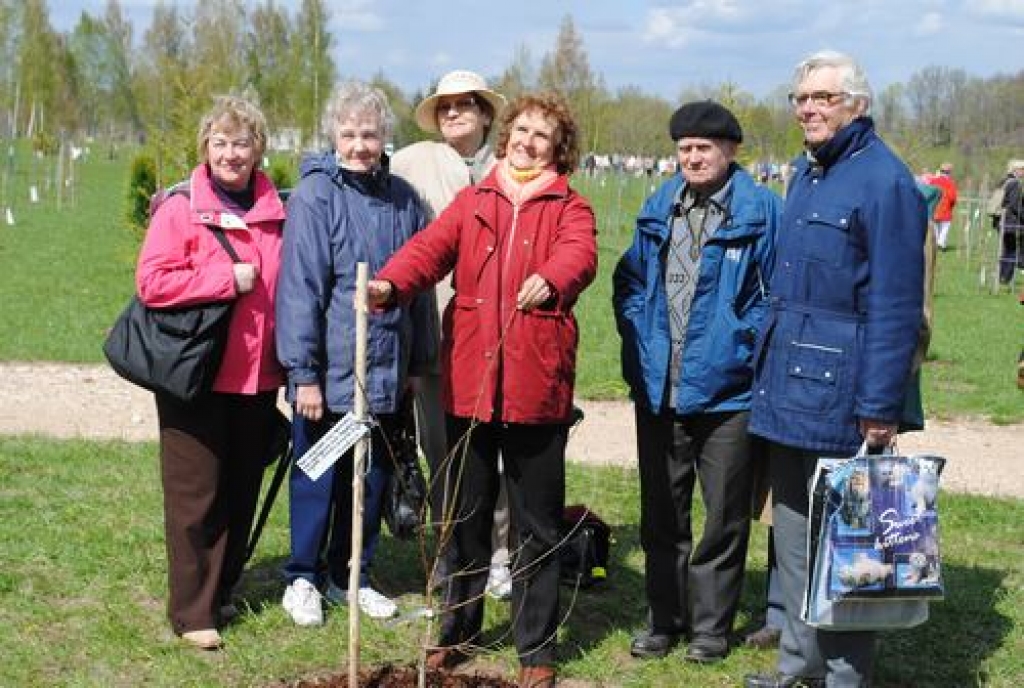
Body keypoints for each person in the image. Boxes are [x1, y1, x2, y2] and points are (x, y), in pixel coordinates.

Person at [367, 91, 598, 688]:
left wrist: (552, 277)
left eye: (541, 135)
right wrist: (391, 283)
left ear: (558, 148)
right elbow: (431, 249)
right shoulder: (474, 201)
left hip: (535, 392)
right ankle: (458, 632)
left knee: (536, 527)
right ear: (507, 136)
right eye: (521, 130)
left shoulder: (570, 207)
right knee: (464, 518)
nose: (527, 141)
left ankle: (536, 649)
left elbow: (582, 255)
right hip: (469, 385)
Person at [744, 50, 926, 688]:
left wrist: (880, 404)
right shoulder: (805, 171)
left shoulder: (887, 182)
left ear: (858, 104)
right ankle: (800, 666)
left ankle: (846, 677)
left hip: (846, 397)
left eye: (824, 97)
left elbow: (898, 305)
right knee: (792, 542)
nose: (810, 109)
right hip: (787, 389)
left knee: (848, 550)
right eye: (802, 98)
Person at [612, 101, 781, 663]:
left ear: (730, 151)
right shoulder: (661, 204)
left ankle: (710, 628)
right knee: (662, 513)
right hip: (660, 387)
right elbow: (630, 280)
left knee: (724, 516)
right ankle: (665, 619)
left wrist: (739, 340)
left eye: (704, 147)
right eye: (684, 147)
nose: (692, 156)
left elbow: (777, 296)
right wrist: (643, 339)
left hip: (728, 393)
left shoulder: (760, 212)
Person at [275, 80, 432, 626]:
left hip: (386, 372)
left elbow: (422, 285)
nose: (360, 144)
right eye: (349, 134)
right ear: (333, 137)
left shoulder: (405, 200)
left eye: (368, 133)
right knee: (319, 470)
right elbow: (300, 288)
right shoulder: (318, 196)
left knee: (371, 479)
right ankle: (302, 576)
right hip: (332, 372)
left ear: (385, 135)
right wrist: (304, 374)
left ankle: (353, 575)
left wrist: (418, 363)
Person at [135, 95, 286, 650]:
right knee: (195, 495)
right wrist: (226, 277)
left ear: (258, 150)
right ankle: (192, 610)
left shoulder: (279, 210)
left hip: (256, 375)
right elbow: (153, 283)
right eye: (220, 142)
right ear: (205, 147)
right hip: (194, 375)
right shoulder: (179, 207)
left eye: (241, 142)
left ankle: (222, 586)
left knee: (241, 488)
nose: (230, 153)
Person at [390, 70, 513, 599]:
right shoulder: (412, 161)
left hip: (503, 333)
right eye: (445, 107)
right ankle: (449, 554)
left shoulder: (512, 166)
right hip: (436, 331)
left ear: (486, 113)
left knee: (500, 452)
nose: (454, 113)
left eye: (466, 104)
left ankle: (501, 555)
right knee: (441, 450)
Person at [998, 160, 1024, 285]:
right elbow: (1015, 205)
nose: (1023, 172)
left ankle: (1002, 275)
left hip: (1002, 220)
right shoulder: (1015, 184)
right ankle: (1005, 277)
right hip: (1010, 221)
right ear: (1015, 170)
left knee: (1005, 249)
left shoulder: (1004, 181)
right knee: (1012, 250)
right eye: (1022, 169)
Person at [927, 162, 958, 251]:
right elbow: (952, 198)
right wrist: (952, 205)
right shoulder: (950, 183)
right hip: (945, 209)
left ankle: (936, 243)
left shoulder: (933, 181)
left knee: (936, 227)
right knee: (945, 228)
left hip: (934, 208)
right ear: (949, 172)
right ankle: (940, 243)